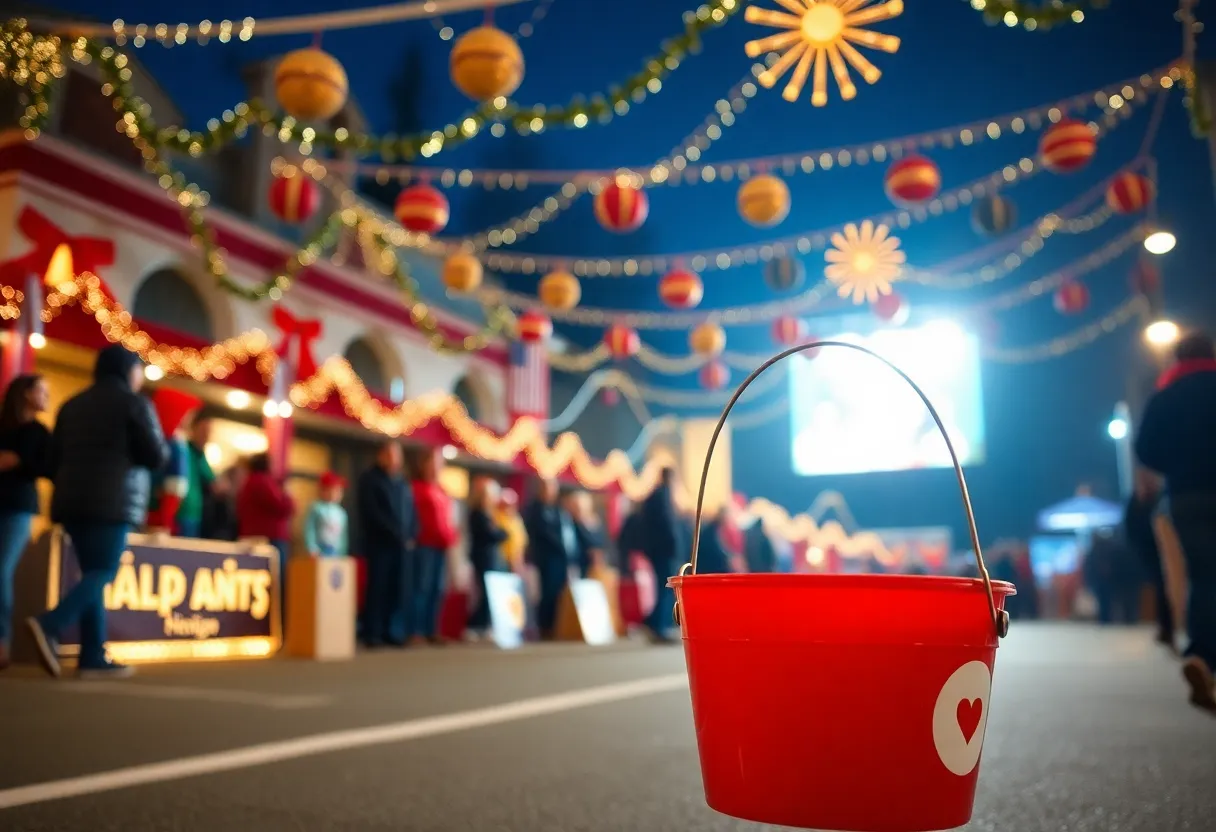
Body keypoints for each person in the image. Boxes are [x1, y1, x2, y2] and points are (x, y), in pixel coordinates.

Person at [27, 345, 169, 679]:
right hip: (112, 501)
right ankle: (49, 623)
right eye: (138, 369)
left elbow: (51, 461)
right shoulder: (134, 403)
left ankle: (92, 655)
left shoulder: (72, 405)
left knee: (92, 573)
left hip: (71, 503)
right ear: (127, 370)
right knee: (103, 572)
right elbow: (156, 456)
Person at [1135, 330, 1216, 710]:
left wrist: (1178, 465)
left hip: (1186, 496)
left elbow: (1145, 449)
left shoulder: (1167, 396)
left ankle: (1201, 655)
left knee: (1203, 574)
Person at [0, 374, 51, 669]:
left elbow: (47, 466)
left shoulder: (40, 432)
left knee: (2, 569)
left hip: (19, 508)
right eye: (41, 390)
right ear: (26, 394)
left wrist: (17, 460)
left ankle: (2, 643)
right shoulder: (5, 425)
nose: (46, 395)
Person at [356, 441, 416, 648]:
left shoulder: (401, 482)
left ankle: (393, 631)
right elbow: (373, 513)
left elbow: (410, 512)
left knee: (397, 589)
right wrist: (395, 532)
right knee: (378, 588)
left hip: (401, 546)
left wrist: (411, 533)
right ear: (381, 455)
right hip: (380, 544)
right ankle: (373, 632)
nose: (394, 459)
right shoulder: (370, 479)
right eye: (390, 454)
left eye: (397, 455)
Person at [410, 448, 458, 644]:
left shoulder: (442, 490)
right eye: (435, 462)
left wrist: (452, 537)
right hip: (423, 544)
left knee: (437, 589)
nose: (438, 467)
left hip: (442, 545)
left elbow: (448, 519)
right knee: (421, 587)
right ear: (424, 464)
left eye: (440, 463)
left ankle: (431, 629)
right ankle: (416, 630)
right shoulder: (416, 488)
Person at [1125, 469, 1173, 649]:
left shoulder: (1159, 499)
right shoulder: (1137, 503)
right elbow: (1130, 530)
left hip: (1162, 549)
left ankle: (1170, 625)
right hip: (1148, 553)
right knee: (1162, 587)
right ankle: (1166, 626)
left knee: (1166, 587)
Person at [524, 478, 577, 639]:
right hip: (544, 559)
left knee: (557, 594)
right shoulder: (534, 509)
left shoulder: (558, 510)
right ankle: (544, 627)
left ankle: (555, 626)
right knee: (545, 594)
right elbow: (542, 534)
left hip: (560, 560)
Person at [145, 388, 201, 532]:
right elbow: (175, 484)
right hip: (162, 513)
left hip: (168, 512)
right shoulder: (175, 443)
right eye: (187, 414)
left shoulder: (171, 441)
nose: (189, 419)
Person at [237, 453, 295, 582]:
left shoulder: (250, 481)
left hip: (256, 535)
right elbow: (282, 506)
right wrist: (287, 494)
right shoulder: (262, 482)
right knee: (276, 578)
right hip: (269, 538)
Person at [640, 467, 681, 644]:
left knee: (661, 588)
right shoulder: (663, 495)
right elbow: (667, 526)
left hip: (657, 550)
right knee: (665, 588)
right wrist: (675, 547)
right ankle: (658, 627)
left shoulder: (654, 495)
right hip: (664, 551)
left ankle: (655, 624)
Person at [466, 477, 507, 639]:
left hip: (492, 558)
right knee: (483, 594)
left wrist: (500, 532)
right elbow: (494, 534)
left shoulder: (491, 515)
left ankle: (484, 625)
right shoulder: (477, 514)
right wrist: (499, 532)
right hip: (482, 559)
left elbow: (502, 533)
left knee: (489, 594)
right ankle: (474, 625)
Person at [175, 417, 215, 538]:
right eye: (203, 431)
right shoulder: (184, 449)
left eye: (208, 432)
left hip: (195, 511)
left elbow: (212, 480)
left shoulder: (200, 455)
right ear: (193, 429)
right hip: (179, 509)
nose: (206, 436)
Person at [305, 471, 348, 558]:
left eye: (339, 490)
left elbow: (343, 535)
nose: (337, 493)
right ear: (323, 490)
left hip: (336, 551)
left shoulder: (341, 513)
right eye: (333, 489)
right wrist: (312, 548)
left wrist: (343, 552)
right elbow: (310, 529)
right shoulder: (316, 508)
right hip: (320, 551)